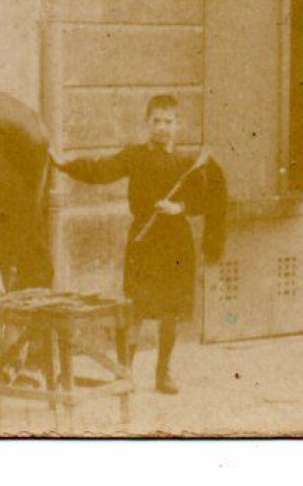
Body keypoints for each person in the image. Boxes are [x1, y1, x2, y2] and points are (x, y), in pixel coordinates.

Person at [51, 94, 226, 395]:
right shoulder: (135, 156)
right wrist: (66, 165)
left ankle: (163, 374)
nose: (162, 128)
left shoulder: (188, 163)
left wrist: (180, 208)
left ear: (178, 125)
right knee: (136, 308)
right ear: (147, 123)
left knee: (171, 310)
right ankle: (126, 372)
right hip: (143, 243)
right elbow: (101, 170)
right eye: (156, 121)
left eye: (168, 122)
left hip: (176, 244)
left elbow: (209, 199)